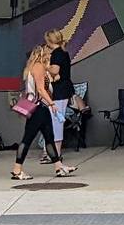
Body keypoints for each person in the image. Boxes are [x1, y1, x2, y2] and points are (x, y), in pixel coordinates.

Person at [12, 45, 76, 180]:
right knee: (28, 138)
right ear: (43, 55)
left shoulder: (34, 67)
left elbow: (48, 82)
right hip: (39, 107)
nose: (50, 57)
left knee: (49, 138)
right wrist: (52, 103)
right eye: (48, 55)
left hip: (40, 107)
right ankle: (17, 169)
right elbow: (41, 89)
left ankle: (59, 166)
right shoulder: (39, 67)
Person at [41, 29, 73, 163]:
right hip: (63, 90)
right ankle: (54, 153)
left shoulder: (57, 54)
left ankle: (56, 153)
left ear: (49, 41)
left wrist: (44, 66)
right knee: (56, 121)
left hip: (59, 91)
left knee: (56, 121)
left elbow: (55, 70)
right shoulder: (63, 52)